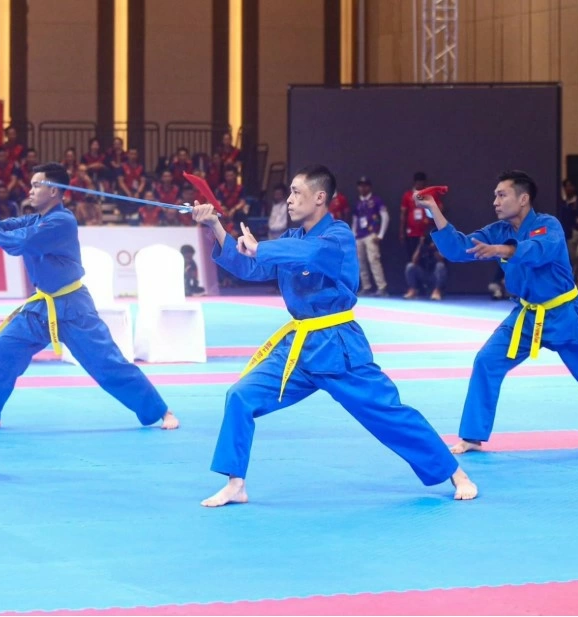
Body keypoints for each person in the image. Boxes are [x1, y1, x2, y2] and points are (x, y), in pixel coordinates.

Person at [192, 164, 477, 506]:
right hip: (297, 349)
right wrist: (216, 227)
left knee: (387, 412)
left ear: (320, 197)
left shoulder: (338, 235)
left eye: (297, 192)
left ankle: (454, 472)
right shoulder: (292, 238)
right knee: (240, 395)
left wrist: (261, 248)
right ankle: (236, 483)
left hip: (338, 347)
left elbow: (311, 255)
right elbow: (252, 267)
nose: (290, 200)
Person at [0, 163, 179, 431]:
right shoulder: (35, 219)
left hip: (73, 308)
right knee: (3, 348)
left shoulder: (62, 221)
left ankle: (162, 410)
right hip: (40, 307)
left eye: (36, 185)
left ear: (54, 191)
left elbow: (22, 241)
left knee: (107, 363)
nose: (30, 190)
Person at [416, 170, 578, 454]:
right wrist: (434, 209)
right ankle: (472, 436)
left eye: (501, 194)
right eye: (494, 195)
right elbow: (459, 248)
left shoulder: (548, 225)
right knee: (486, 361)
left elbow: (538, 251)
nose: (495, 201)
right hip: (526, 316)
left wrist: (502, 250)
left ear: (523, 199)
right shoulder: (498, 230)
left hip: (565, 314)